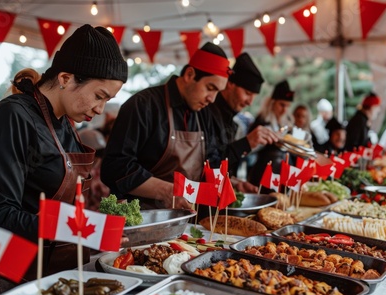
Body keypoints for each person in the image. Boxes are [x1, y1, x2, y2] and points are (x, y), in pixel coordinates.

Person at [0, 24, 128, 295]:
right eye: (99, 96)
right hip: (12, 277)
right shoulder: (10, 119)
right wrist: (80, 229)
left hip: (55, 275)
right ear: (66, 78)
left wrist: (97, 222)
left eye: (108, 100)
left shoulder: (66, 123)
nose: (101, 109)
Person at [101, 42, 229, 210]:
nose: (212, 98)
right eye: (210, 88)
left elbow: (212, 161)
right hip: (142, 218)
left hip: (188, 220)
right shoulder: (143, 105)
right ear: (190, 74)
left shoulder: (205, 114)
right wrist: (166, 191)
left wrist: (229, 183)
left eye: (217, 92)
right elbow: (115, 167)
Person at [206, 52, 278, 192]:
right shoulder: (205, 113)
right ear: (230, 84)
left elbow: (220, 168)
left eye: (253, 96)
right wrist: (247, 143)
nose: (250, 102)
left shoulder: (231, 121)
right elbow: (208, 164)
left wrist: (235, 182)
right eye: (247, 93)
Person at [247, 80, 295, 187]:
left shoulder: (288, 124)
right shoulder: (262, 121)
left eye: (287, 106)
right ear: (272, 103)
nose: (284, 110)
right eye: (282, 105)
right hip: (264, 173)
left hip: (284, 173)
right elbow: (249, 148)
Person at [78, 128, 109, 211]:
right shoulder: (78, 174)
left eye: (99, 153)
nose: (97, 158)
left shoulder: (102, 167)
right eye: (94, 154)